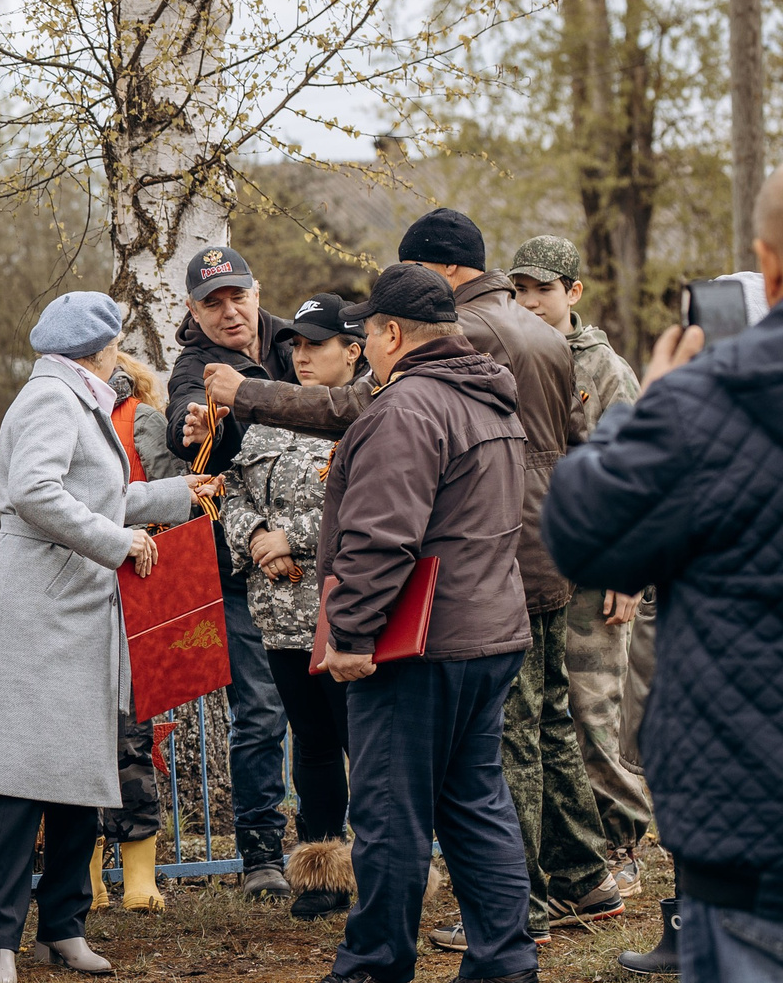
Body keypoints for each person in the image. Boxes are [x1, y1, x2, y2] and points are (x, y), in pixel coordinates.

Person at [200, 209, 612, 942]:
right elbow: (578, 448)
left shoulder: (451, 351)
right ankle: (581, 877)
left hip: (472, 575)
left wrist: (247, 393)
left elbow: (368, 457)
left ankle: (520, 914)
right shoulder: (544, 335)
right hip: (539, 555)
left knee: (486, 761)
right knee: (546, 726)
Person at [543, 169, 783, 983]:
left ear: (763, 265)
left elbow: (583, 535)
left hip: (752, 828)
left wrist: (653, 394)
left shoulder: (712, 402)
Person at [277, 265, 541, 983]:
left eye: (368, 332)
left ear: (392, 335)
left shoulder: (407, 409)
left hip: (418, 645)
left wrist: (353, 632)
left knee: (392, 809)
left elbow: (381, 536)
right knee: (474, 799)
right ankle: (504, 963)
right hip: (490, 631)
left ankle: (374, 968)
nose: (366, 344)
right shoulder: (490, 400)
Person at [0, 293, 208, 983]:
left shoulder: (78, 399)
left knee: (76, 774)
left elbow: (99, 494)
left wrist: (183, 492)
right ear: (95, 346)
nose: (120, 350)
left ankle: (63, 925)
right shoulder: (48, 401)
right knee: (21, 776)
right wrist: (118, 543)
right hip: (40, 606)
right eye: (115, 339)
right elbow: (34, 493)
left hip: (72, 604)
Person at [507, 237, 651, 878]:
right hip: (536, 566)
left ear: (573, 292)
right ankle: (567, 852)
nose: (531, 300)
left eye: (543, 288)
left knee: (595, 714)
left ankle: (619, 843)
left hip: (596, 570)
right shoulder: (510, 354)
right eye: (521, 289)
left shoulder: (604, 370)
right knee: (546, 717)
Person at [158, 247, 298, 900]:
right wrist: (198, 426)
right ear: (193, 309)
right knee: (262, 711)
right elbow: (186, 420)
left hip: (316, 557)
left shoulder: (296, 340)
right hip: (239, 568)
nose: (230, 310)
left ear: (255, 289)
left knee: (333, 711)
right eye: (212, 302)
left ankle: (333, 844)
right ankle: (263, 853)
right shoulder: (196, 366)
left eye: (237, 295)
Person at [226, 294, 369, 921]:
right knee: (311, 745)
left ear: (354, 351)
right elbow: (232, 491)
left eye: (317, 345)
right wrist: (256, 535)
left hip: (346, 616)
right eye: (297, 347)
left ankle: (380, 872)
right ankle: (321, 875)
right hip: (280, 616)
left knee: (360, 745)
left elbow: (374, 504)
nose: (303, 356)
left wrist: (300, 539)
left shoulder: (369, 413)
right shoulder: (271, 415)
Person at [91, 350, 189, 913]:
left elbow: (177, 499)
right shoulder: (54, 414)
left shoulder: (141, 418)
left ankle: (138, 878)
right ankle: (88, 879)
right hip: (73, 589)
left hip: (138, 584)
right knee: (79, 738)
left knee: (132, 735)